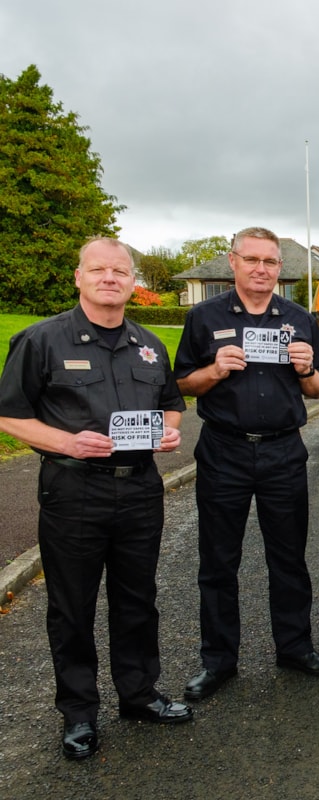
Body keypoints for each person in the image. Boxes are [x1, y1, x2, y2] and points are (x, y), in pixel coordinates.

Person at [0, 237, 193, 760]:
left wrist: (168, 433)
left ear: (134, 282)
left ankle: (138, 694)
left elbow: (171, 404)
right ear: (79, 277)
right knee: (72, 606)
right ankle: (79, 714)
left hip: (139, 489)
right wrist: (65, 441)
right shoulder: (41, 341)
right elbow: (9, 414)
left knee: (137, 599)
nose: (110, 278)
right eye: (98, 269)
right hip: (73, 490)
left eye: (120, 271)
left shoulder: (149, 344)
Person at [174, 227, 319, 702]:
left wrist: (307, 369)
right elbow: (182, 384)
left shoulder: (299, 319)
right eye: (253, 260)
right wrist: (215, 370)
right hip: (223, 450)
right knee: (218, 562)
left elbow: (317, 391)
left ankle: (295, 647)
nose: (262, 269)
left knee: (288, 558)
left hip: (282, 451)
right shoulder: (204, 318)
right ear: (233, 262)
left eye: (270, 262)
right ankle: (219, 662)